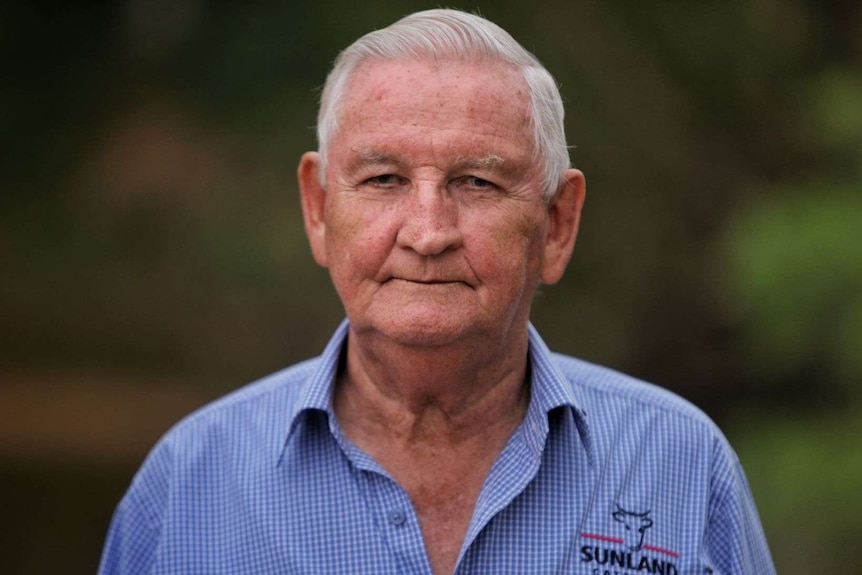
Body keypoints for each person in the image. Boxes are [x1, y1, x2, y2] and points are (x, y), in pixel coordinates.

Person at [99, 8, 775, 575]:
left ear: (557, 224)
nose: (428, 232)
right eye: (384, 179)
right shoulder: (189, 485)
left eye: (477, 183)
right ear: (317, 209)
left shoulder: (681, 466)